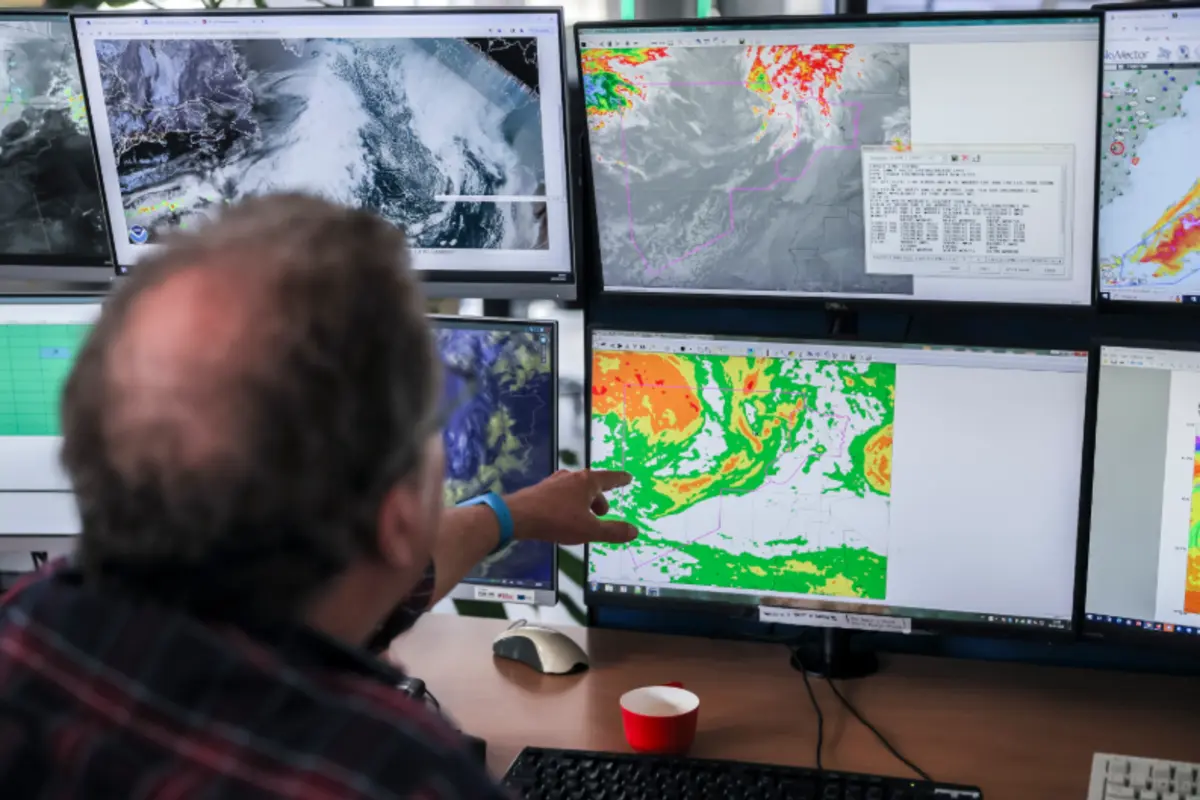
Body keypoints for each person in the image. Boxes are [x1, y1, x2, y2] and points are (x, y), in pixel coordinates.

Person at [0, 194, 636, 798]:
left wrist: (509, 516)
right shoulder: (392, 774)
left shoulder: (24, 624)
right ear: (396, 520)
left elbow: (377, 585)